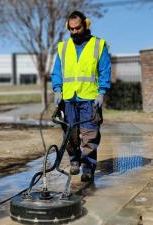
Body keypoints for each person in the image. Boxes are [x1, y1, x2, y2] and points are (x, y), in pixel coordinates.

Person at [51, 11, 111, 182]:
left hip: (90, 98)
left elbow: (105, 70)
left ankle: (88, 167)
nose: (74, 32)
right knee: (70, 134)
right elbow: (57, 72)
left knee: (89, 134)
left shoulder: (98, 45)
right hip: (68, 99)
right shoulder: (63, 47)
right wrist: (57, 89)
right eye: (71, 29)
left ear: (86, 25)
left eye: (77, 28)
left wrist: (102, 92)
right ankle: (74, 161)